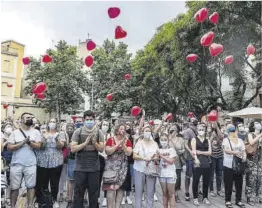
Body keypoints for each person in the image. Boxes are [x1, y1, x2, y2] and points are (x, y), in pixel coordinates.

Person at [71, 110, 105, 208]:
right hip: (80, 168)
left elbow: (101, 149)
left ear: (94, 120)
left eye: (91, 119)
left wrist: (94, 142)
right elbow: (73, 149)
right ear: (83, 120)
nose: (89, 121)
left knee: (94, 194)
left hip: (94, 168)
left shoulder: (99, 132)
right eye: (87, 119)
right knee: (78, 194)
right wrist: (85, 143)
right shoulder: (78, 131)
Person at [7, 113, 42, 208]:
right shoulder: (15, 133)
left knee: (31, 186)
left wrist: (29, 142)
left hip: (31, 164)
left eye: (31, 117)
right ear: (22, 120)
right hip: (16, 164)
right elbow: (9, 147)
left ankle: (30, 205)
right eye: (27, 118)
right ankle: (13, 206)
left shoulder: (36, 132)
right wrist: (22, 143)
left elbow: (39, 146)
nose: (30, 119)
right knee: (14, 187)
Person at [35, 118, 66, 208]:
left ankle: (54, 200)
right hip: (43, 161)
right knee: (42, 182)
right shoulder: (43, 133)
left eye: (54, 122)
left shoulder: (60, 134)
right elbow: (41, 147)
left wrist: (56, 139)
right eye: (51, 122)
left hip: (56, 161)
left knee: (54, 182)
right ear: (47, 124)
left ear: (57, 124)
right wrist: (44, 138)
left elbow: (61, 146)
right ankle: (42, 200)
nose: (52, 123)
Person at [103, 124, 133, 208]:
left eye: (124, 129)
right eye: (121, 129)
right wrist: (117, 145)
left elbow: (129, 153)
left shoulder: (128, 141)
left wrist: (123, 144)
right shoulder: (110, 140)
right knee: (110, 190)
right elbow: (107, 151)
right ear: (116, 130)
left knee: (120, 190)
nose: (122, 130)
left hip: (123, 169)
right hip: (110, 169)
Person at [133, 125, 159, 208]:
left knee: (150, 193)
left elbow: (157, 156)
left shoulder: (155, 144)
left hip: (151, 170)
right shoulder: (139, 143)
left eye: (149, 131)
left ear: (151, 132)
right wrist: (144, 158)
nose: (147, 132)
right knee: (138, 193)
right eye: (146, 131)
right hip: (139, 169)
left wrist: (154, 158)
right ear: (143, 133)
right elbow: (134, 155)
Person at [222, 124, 246, 208]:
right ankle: (228, 200)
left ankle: (238, 200)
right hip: (228, 164)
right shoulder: (225, 140)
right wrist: (236, 152)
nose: (232, 132)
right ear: (228, 132)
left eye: (233, 130)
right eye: (230, 131)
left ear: (236, 131)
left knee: (239, 183)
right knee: (228, 183)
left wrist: (244, 157)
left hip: (239, 164)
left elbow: (243, 150)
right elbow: (226, 150)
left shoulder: (240, 140)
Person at [191, 123, 212, 206]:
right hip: (197, 162)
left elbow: (210, 152)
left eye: (202, 129)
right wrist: (196, 158)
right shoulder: (194, 139)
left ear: (205, 130)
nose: (201, 131)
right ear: (197, 130)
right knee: (196, 180)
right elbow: (194, 151)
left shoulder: (208, 140)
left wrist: (201, 152)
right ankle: (195, 198)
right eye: (199, 129)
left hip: (206, 162)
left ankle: (205, 197)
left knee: (206, 180)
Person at [158, 133, 177, 208]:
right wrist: (155, 160)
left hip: (171, 174)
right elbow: (156, 161)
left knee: (171, 194)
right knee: (164, 193)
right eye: (162, 140)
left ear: (168, 140)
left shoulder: (171, 150)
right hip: (162, 174)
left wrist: (161, 156)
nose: (163, 141)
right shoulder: (158, 150)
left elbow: (171, 161)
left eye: (165, 140)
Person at [245, 121, 262, 205]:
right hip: (251, 161)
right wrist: (260, 135)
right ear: (253, 126)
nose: (258, 124)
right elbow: (251, 142)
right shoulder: (250, 134)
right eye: (256, 123)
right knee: (251, 179)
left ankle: (259, 197)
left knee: (260, 179)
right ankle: (250, 198)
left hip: (260, 160)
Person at [168, 124, 185, 203]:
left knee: (177, 179)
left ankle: (176, 195)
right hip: (169, 162)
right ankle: (170, 194)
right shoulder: (167, 138)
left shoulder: (181, 139)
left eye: (174, 129)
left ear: (177, 131)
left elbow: (183, 149)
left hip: (177, 162)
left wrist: (181, 151)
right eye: (171, 129)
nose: (172, 130)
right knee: (169, 178)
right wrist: (169, 139)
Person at [183, 117, 198, 201]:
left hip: (197, 157)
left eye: (195, 122)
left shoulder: (198, 130)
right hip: (189, 157)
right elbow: (185, 144)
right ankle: (187, 191)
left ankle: (196, 191)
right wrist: (191, 152)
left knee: (197, 175)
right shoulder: (188, 131)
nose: (194, 124)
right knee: (188, 176)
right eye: (192, 122)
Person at [209, 121, 224, 197]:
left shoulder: (220, 132)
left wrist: (217, 128)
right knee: (211, 174)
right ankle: (211, 190)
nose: (213, 125)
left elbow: (222, 137)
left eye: (215, 124)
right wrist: (212, 136)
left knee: (219, 174)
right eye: (212, 124)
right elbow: (207, 141)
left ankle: (219, 189)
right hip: (212, 156)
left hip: (220, 156)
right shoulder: (209, 132)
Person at [121, 123, 134, 205]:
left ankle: (128, 196)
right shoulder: (120, 139)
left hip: (130, 162)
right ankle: (122, 197)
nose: (126, 135)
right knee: (122, 179)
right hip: (121, 162)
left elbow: (130, 152)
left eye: (128, 134)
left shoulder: (131, 140)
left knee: (129, 179)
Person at [65, 123, 75, 208]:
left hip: (78, 159)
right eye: (68, 128)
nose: (70, 129)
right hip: (70, 159)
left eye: (71, 128)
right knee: (70, 180)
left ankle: (81, 198)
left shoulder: (76, 135)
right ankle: (69, 199)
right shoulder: (65, 136)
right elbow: (67, 147)